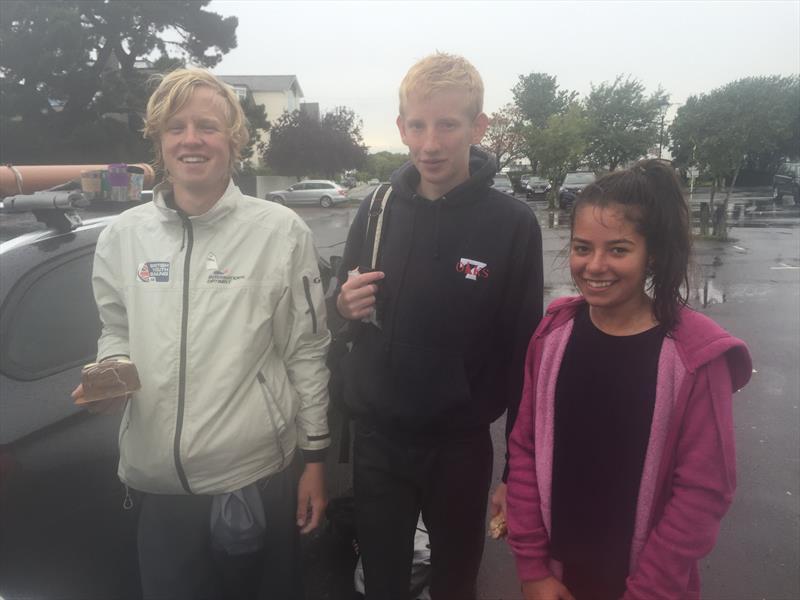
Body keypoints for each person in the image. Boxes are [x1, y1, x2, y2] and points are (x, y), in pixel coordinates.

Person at [71, 68, 331, 600]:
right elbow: (116, 328)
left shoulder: (280, 233)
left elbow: (306, 351)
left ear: (234, 141)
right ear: (160, 141)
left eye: (207, 127)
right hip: (158, 485)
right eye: (176, 127)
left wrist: (316, 461)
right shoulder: (123, 236)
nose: (191, 139)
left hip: (256, 475)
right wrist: (111, 375)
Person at [336, 52, 543, 599]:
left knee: (455, 584)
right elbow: (341, 313)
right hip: (378, 443)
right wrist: (343, 307)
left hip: (460, 445)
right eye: (418, 125)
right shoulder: (375, 208)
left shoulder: (512, 224)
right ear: (401, 126)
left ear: (478, 127)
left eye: (448, 124)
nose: (431, 143)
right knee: (382, 583)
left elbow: (526, 352)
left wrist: (514, 473)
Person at [506, 159, 752, 600]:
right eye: (582, 248)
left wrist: (648, 591)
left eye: (618, 249)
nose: (595, 265)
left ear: (651, 253)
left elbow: (703, 491)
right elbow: (524, 447)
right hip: (555, 579)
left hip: (644, 585)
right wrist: (533, 568)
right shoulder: (552, 336)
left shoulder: (695, 358)